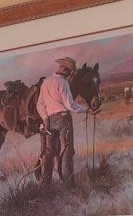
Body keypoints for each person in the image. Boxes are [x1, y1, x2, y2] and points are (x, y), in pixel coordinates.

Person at [36, 56, 92, 188]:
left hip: (50, 120)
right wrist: (87, 110)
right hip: (63, 118)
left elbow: (39, 104)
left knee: (49, 153)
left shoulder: (46, 82)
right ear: (66, 70)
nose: (70, 74)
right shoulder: (63, 83)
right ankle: (69, 185)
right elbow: (70, 105)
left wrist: (45, 119)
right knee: (67, 151)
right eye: (70, 72)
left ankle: (45, 185)